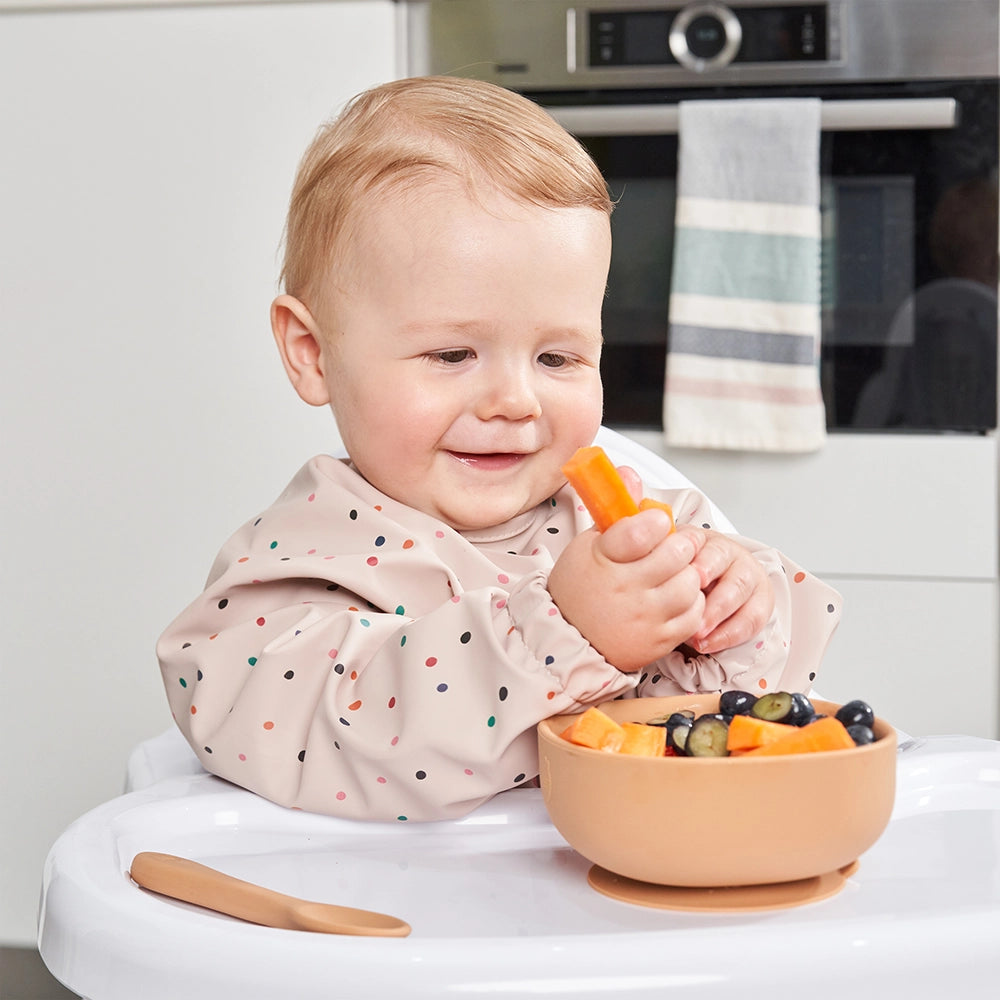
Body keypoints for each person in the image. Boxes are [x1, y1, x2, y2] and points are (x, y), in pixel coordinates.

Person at [157, 76, 841, 822]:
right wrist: (558, 633)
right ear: (313, 354)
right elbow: (323, 729)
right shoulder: (306, 561)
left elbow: (731, 726)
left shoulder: (638, 526)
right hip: (411, 925)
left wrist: (733, 617)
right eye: (452, 355)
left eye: (558, 360)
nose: (516, 401)